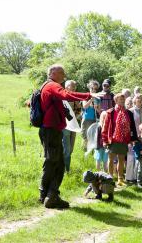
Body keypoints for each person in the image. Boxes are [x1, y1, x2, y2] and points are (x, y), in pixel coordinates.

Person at [39, 64, 96, 209]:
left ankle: (46, 195)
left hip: (50, 130)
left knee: (52, 162)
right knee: (58, 163)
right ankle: (51, 196)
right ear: (53, 73)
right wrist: (88, 95)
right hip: (51, 130)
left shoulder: (46, 85)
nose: (64, 76)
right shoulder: (52, 85)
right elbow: (66, 94)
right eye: (62, 73)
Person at [102, 93, 138, 186]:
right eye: (120, 99)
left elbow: (132, 126)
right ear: (116, 101)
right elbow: (105, 127)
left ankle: (120, 179)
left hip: (124, 139)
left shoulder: (128, 113)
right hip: (113, 139)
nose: (122, 101)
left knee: (121, 159)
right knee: (111, 159)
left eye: (123, 99)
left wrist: (133, 138)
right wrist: (104, 140)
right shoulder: (110, 112)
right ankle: (109, 177)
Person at [127, 94, 142, 183]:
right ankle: (129, 178)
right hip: (132, 137)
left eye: (141, 98)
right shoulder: (130, 111)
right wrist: (130, 138)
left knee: (139, 158)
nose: (139, 100)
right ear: (134, 100)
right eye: (137, 98)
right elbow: (127, 126)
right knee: (131, 157)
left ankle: (137, 178)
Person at [62, 80, 82, 172]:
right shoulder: (62, 97)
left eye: (74, 86)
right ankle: (65, 169)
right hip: (65, 126)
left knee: (71, 149)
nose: (74, 88)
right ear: (66, 87)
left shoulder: (75, 98)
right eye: (72, 86)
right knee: (67, 149)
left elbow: (79, 110)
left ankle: (66, 167)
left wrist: (76, 116)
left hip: (73, 125)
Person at [80, 80, 101, 151]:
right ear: (89, 88)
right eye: (92, 88)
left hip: (94, 119)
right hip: (86, 118)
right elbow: (84, 106)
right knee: (85, 134)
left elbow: (99, 111)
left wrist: (97, 108)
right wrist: (91, 100)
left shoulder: (98, 98)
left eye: (95, 89)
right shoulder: (85, 96)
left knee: (92, 134)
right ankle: (85, 149)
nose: (93, 90)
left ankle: (91, 149)